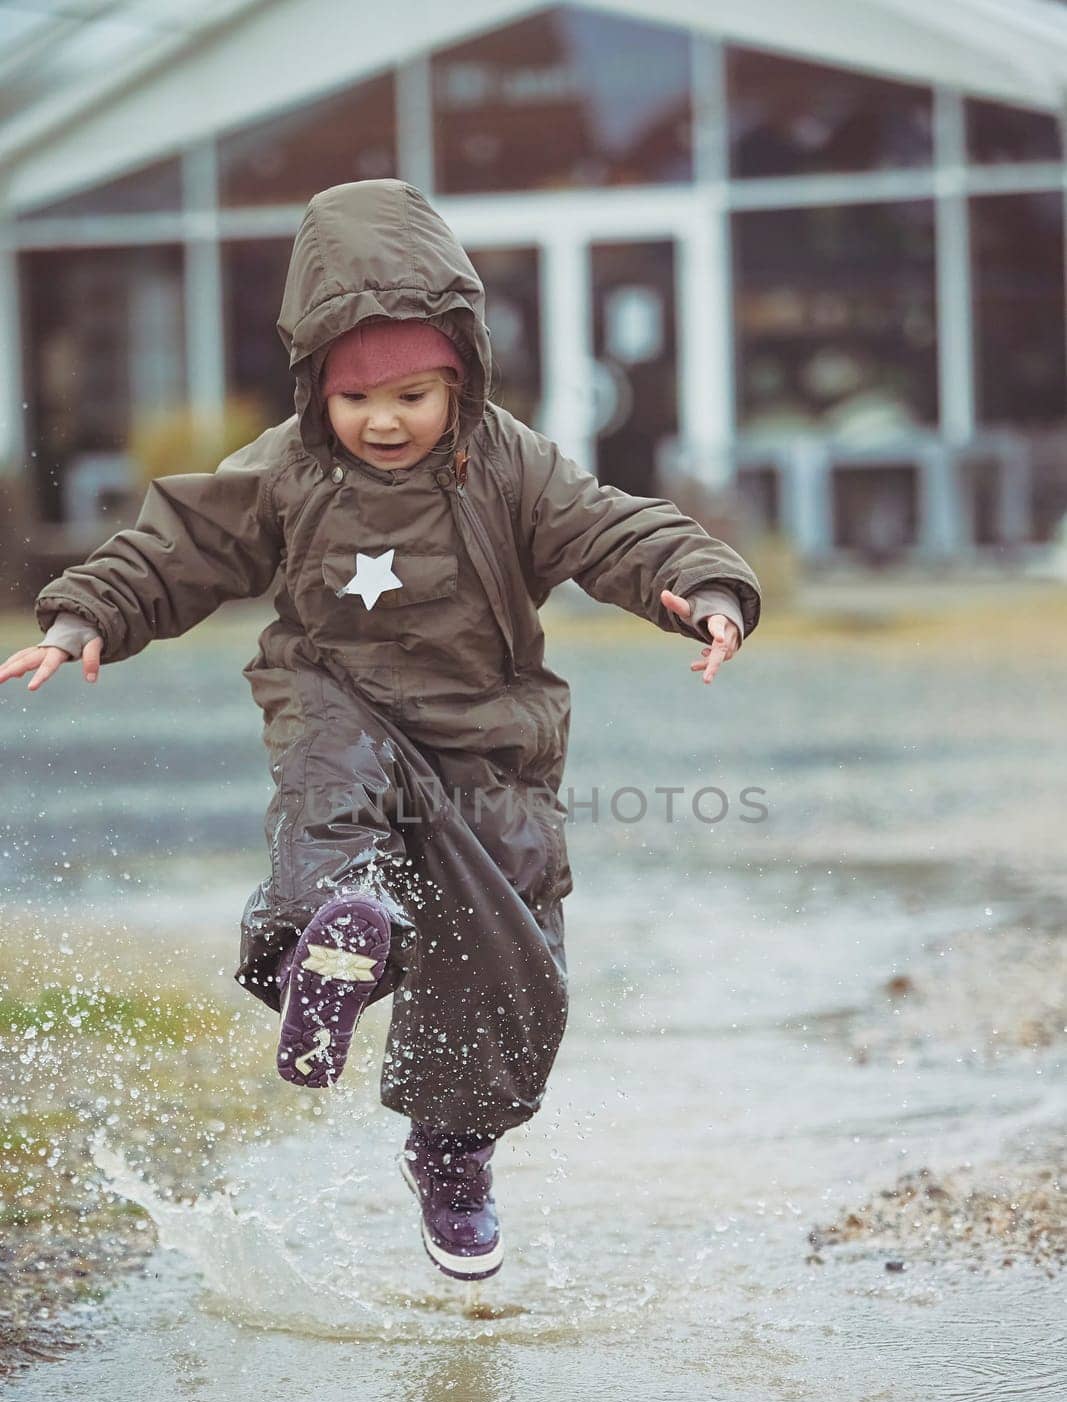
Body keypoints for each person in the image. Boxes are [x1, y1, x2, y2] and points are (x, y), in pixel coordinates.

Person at [0, 180, 760, 1284]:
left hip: (487, 745)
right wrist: (84, 614)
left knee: (514, 961)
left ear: (461, 373)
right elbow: (173, 549)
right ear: (316, 387)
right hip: (337, 701)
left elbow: (612, 528)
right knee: (332, 802)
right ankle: (338, 934)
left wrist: (700, 583)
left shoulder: (512, 464)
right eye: (359, 399)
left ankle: (451, 1151)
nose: (386, 420)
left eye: (413, 392)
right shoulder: (286, 468)